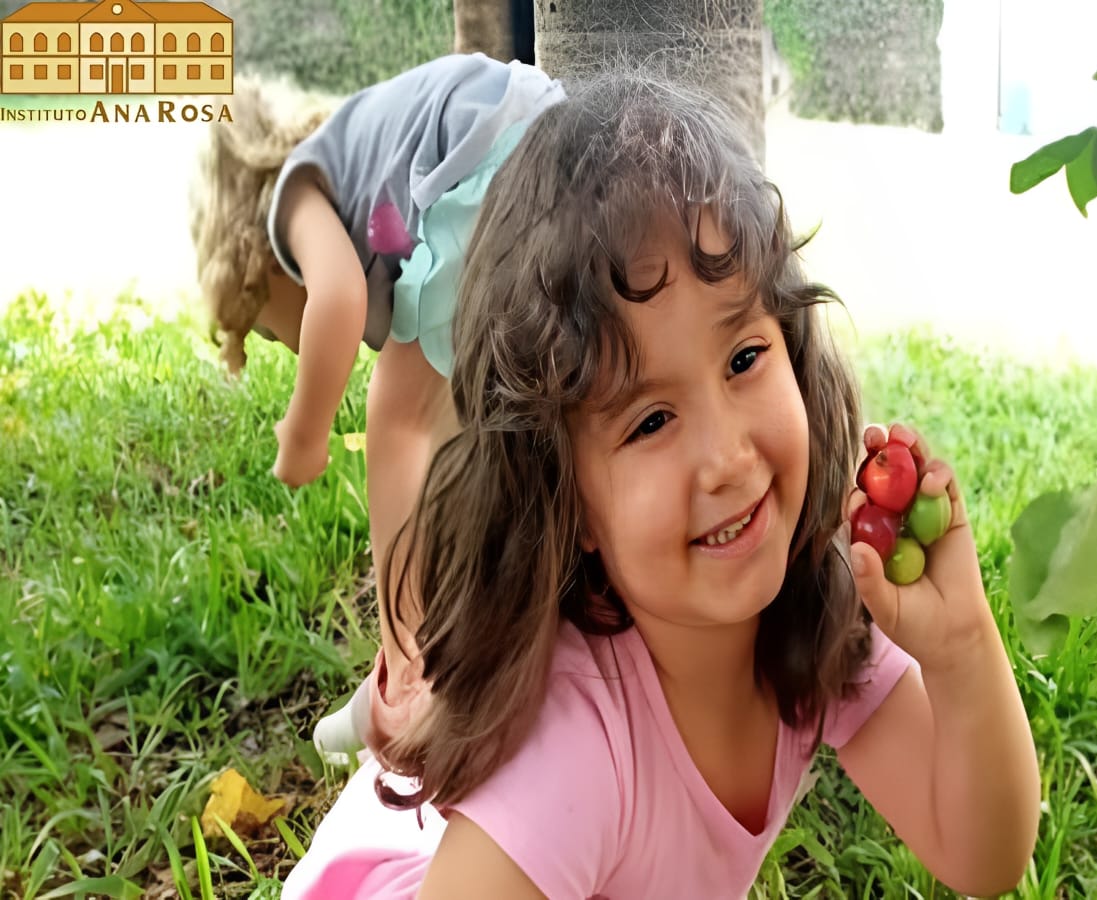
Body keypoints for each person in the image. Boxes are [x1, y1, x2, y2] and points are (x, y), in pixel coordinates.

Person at [282, 71, 1040, 899]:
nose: (727, 458)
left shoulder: (815, 606)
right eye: (649, 422)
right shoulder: (571, 755)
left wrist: (960, 650)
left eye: (744, 358)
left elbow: (980, 856)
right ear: (566, 498)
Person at [189, 53, 566, 757]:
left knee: (399, 414)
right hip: (558, 147)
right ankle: (444, 652)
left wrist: (305, 432)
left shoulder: (291, 199)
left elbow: (335, 299)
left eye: (270, 332)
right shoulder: (359, 176)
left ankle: (405, 679)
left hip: (502, 155)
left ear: (258, 264)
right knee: (486, 437)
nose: (291, 347)